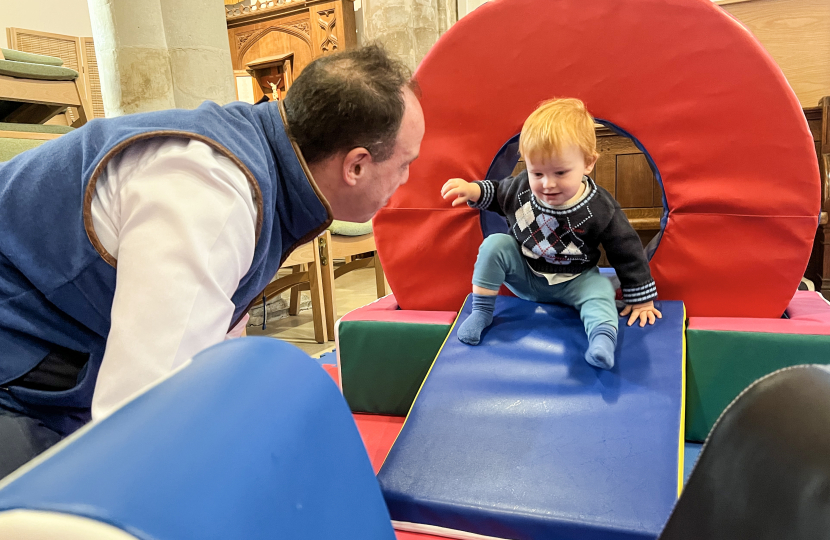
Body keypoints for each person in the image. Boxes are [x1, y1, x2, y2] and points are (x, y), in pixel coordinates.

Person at [0, 44, 424, 478]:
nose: (407, 178)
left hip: (59, 356)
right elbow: (142, 425)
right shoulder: (211, 195)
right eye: (405, 163)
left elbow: (208, 353)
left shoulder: (268, 166)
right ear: (356, 165)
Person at [441, 98, 659, 369]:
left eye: (560, 172)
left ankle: (602, 339)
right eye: (537, 173)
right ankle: (482, 312)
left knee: (601, 289)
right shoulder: (522, 188)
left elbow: (627, 251)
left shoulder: (599, 206)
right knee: (495, 244)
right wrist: (473, 190)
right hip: (526, 274)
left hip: (575, 281)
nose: (548, 184)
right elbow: (498, 193)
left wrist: (641, 299)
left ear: (588, 163)